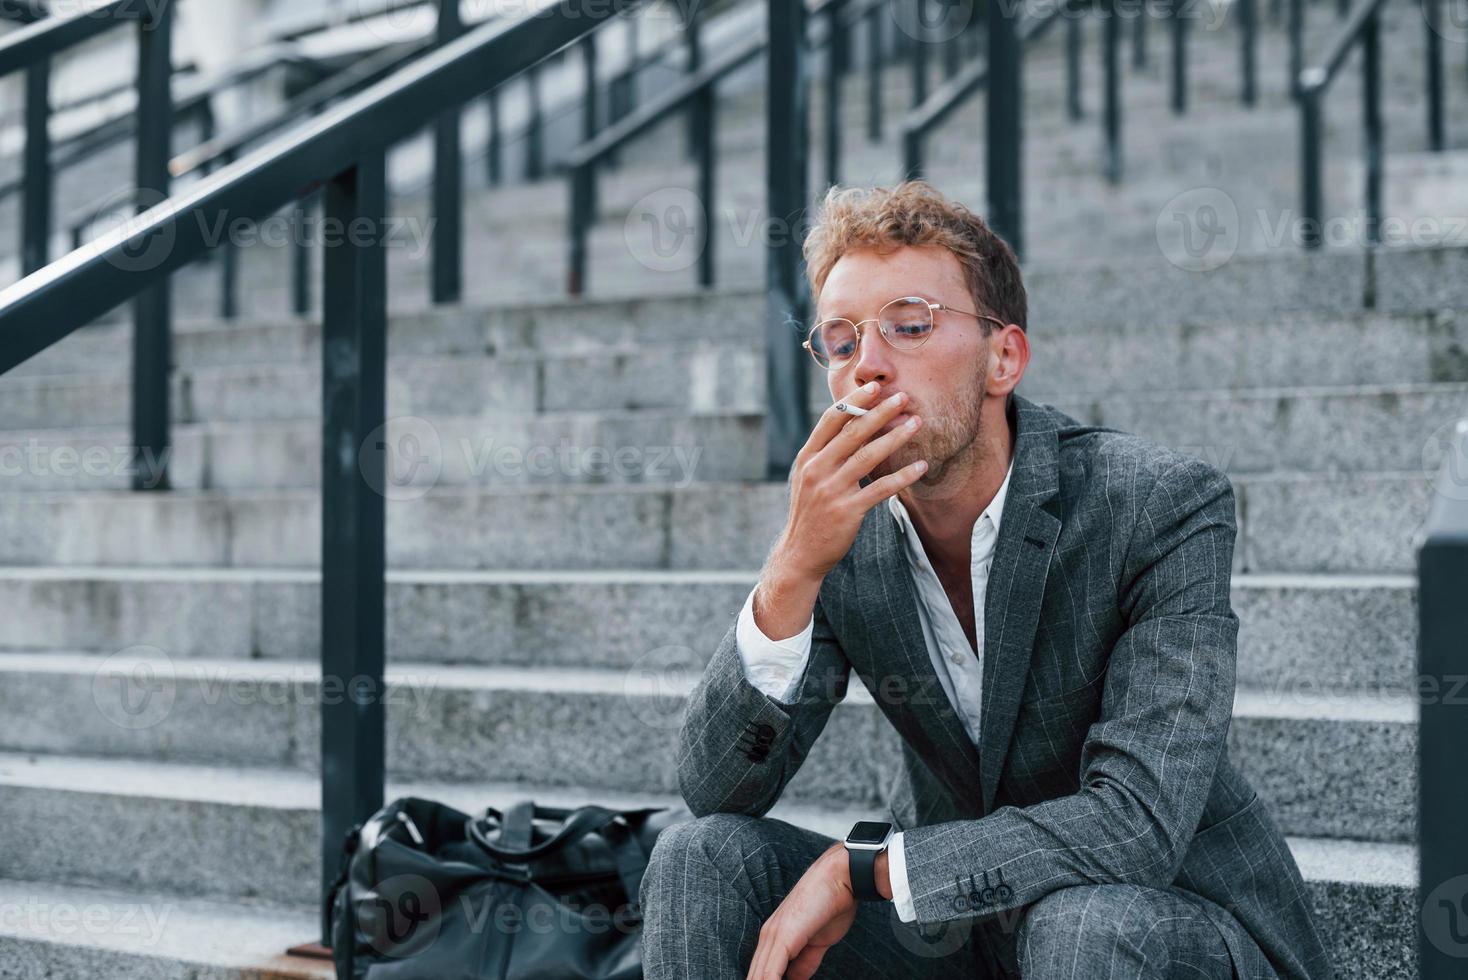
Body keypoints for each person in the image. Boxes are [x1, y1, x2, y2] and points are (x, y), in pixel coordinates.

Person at [638, 180, 1334, 980]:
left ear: (1004, 356)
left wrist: (868, 869)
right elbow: (718, 789)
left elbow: (1137, 823)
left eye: (907, 326)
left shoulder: (1156, 506)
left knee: (1081, 930)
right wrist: (792, 569)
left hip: (1163, 925)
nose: (867, 367)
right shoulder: (841, 538)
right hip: (965, 936)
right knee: (703, 857)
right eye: (839, 341)